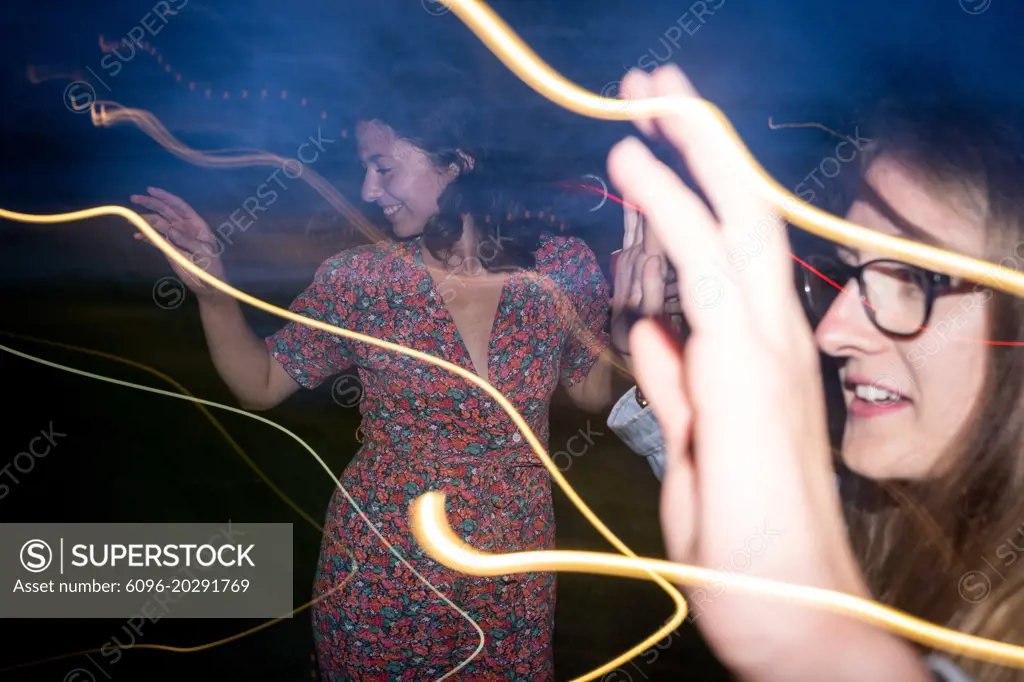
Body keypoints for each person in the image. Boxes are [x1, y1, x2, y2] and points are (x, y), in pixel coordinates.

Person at [130, 70, 635, 679]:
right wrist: (213, 290)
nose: (368, 190)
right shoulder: (362, 279)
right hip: (383, 563)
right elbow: (260, 383)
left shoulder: (561, 267)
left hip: (515, 566)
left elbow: (590, 389)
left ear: (456, 164)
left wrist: (636, 326)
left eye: (384, 167)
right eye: (364, 170)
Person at [606, 64, 1024, 681]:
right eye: (851, 271)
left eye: (911, 277)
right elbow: (775, 517)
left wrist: (817, 649)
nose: (833, 332)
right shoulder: (900, 525)